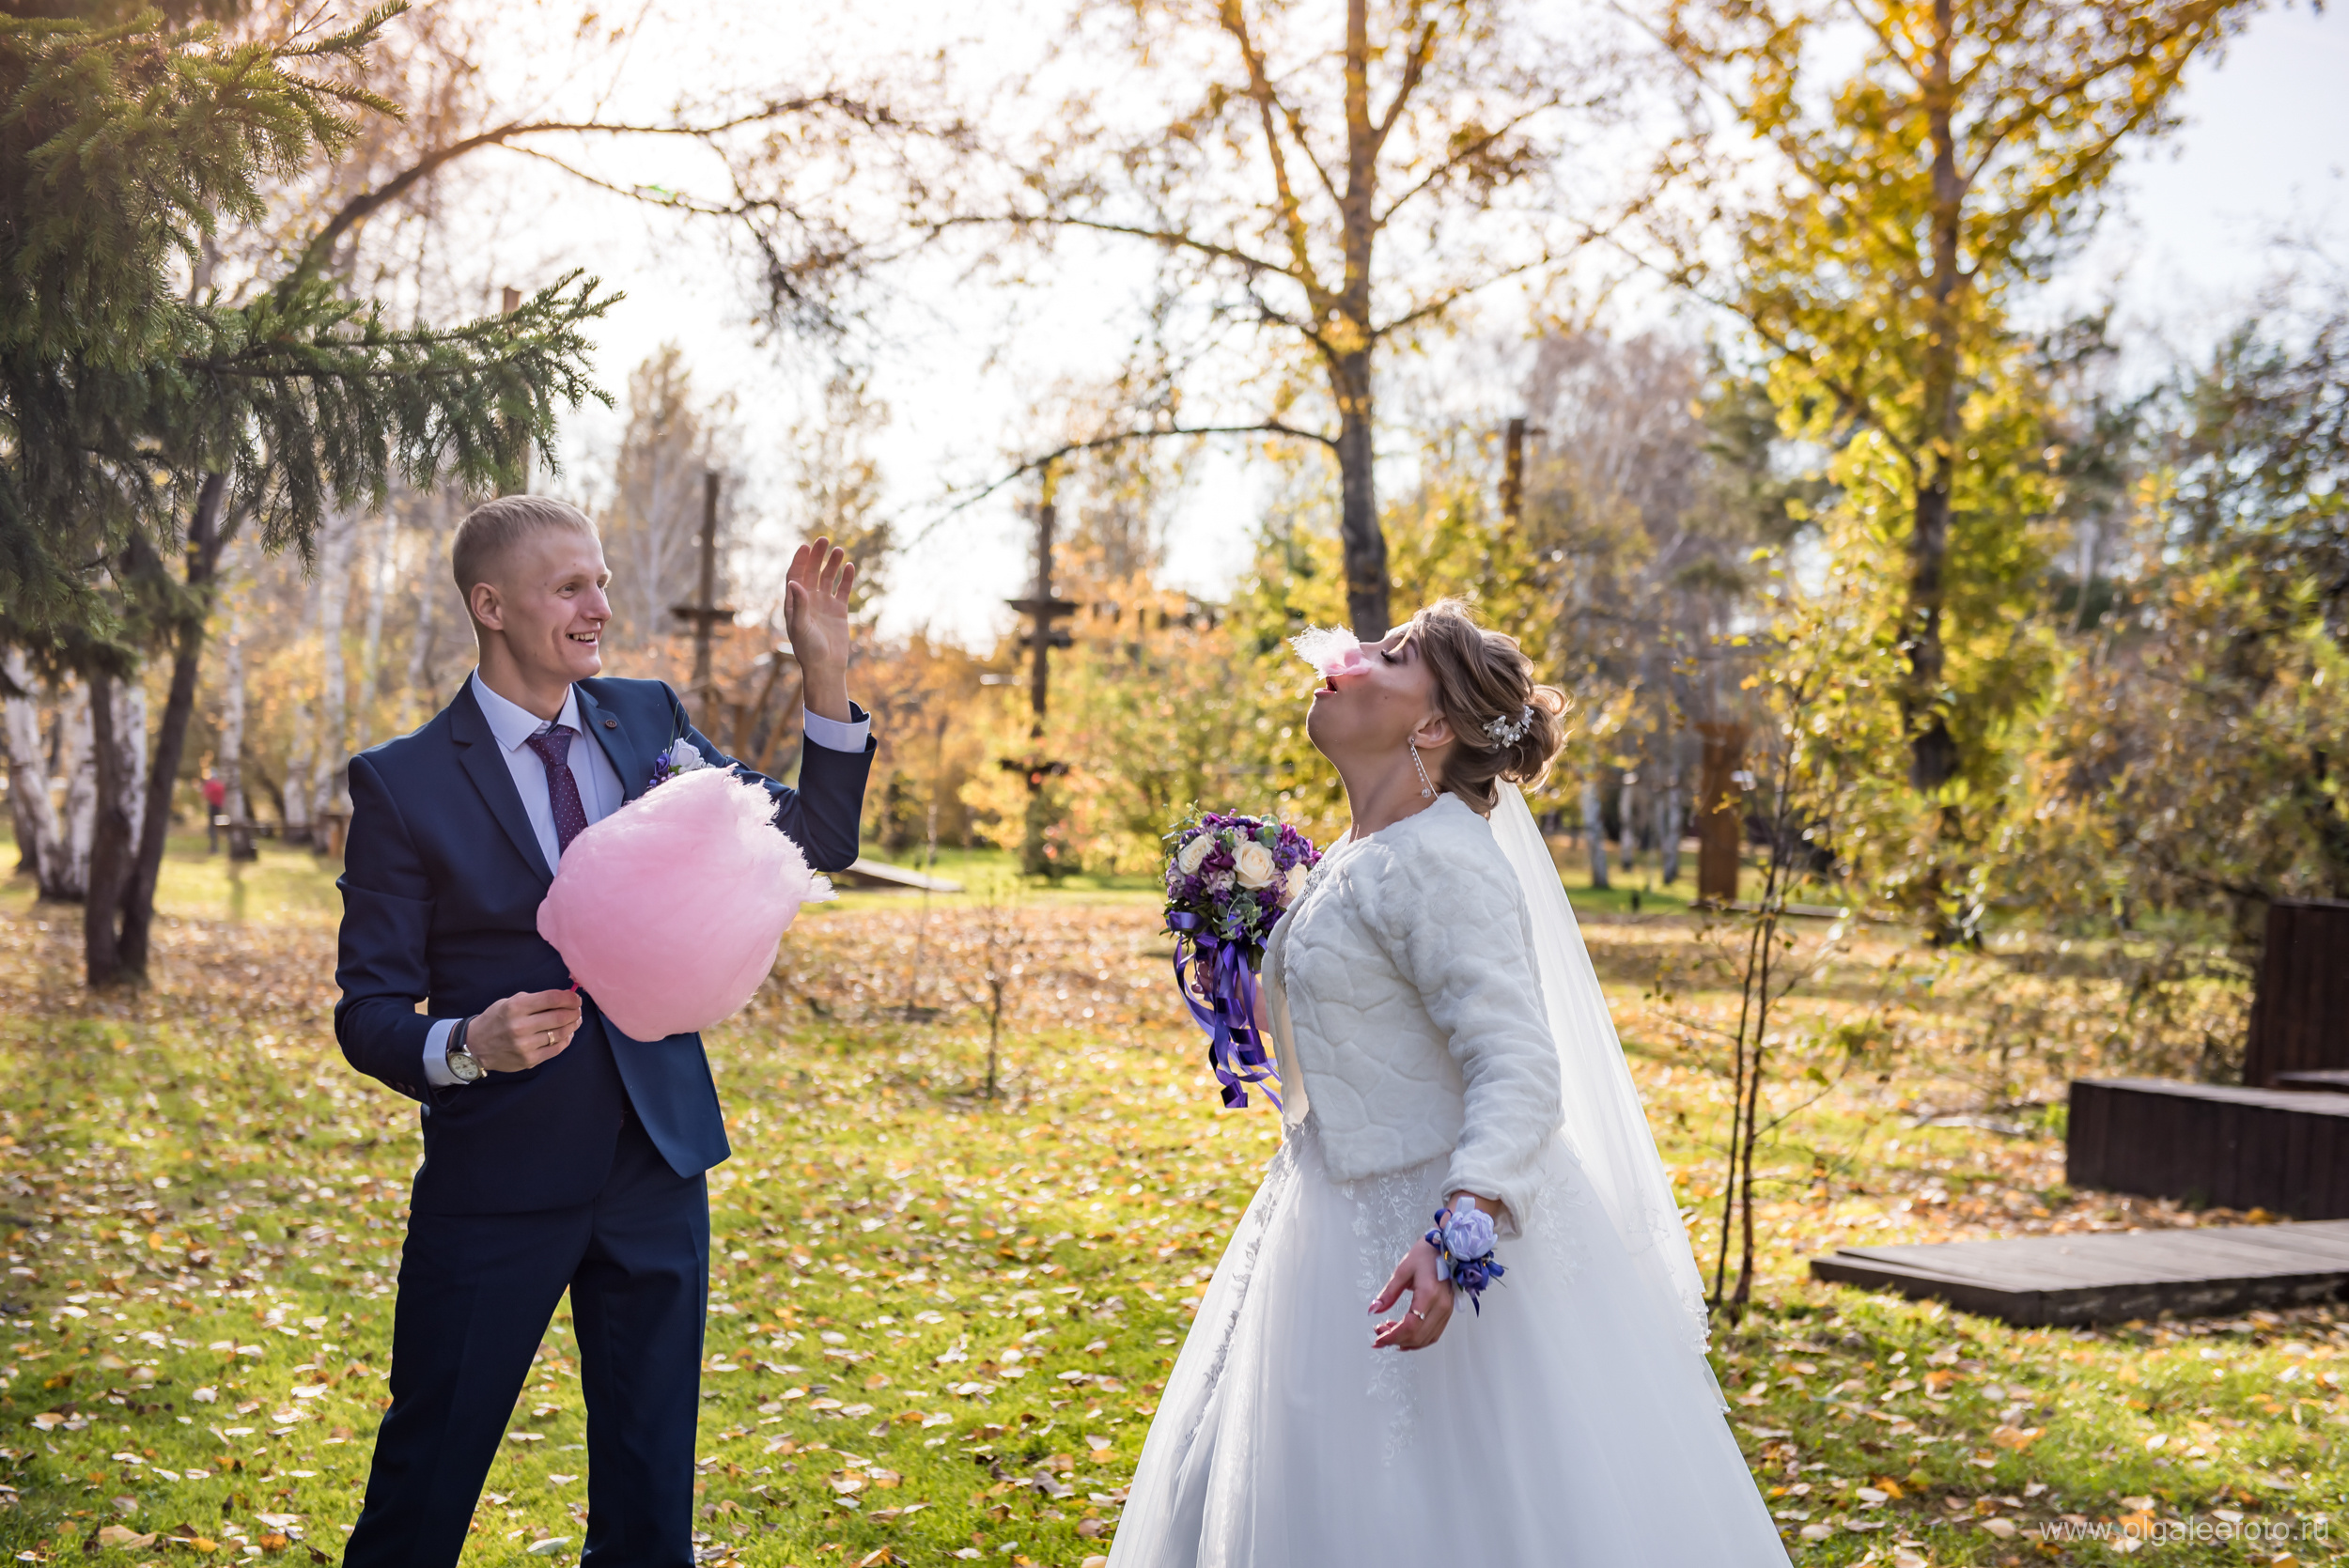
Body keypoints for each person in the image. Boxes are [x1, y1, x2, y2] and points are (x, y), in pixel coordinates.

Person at [1110, 600, 1792, 1566]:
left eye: (1390, 656)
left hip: (1425, 1244)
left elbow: (1517, 1065)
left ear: (1433, 726)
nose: (1347, 656)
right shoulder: (1359, 856)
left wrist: (1458, 1229)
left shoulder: (1440, 859)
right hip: (1323, 1220)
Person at [333, 496, 876, 1568]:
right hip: (499, 1180)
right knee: (424, 1487)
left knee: (648, 1498)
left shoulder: (649, 718)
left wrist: (826, 673)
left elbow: (810, 843)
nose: (600, 605)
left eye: (602, 580)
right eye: (570, 586)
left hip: (657, 1163)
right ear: (490, 606)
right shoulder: (402, 782)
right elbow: (368, 1011)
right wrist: (466, 1043)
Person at [199, 768, 226, 853]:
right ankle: (214, 846)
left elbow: (205, 795)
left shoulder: (211, 784)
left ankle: (214, 847)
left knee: (213, 827)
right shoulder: (220, 784)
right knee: (216, 827)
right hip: (219, 807)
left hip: (213, 806)